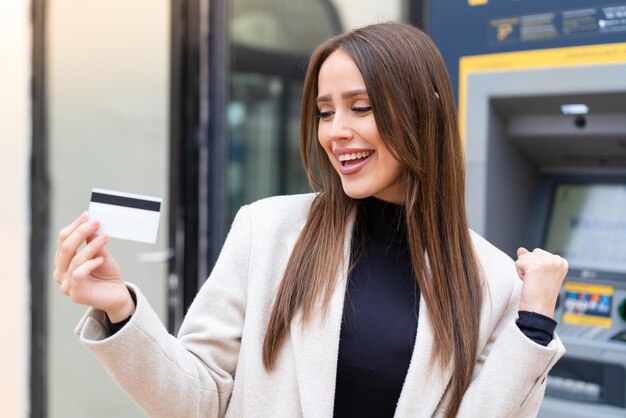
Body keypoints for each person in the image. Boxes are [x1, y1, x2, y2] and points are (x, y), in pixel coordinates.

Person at [54, 22, 567, 418]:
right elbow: (199, 398)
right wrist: (121, 310)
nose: (336, 132)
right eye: (325, 112)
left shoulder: (491, 279)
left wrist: (536, 323)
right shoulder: (267, 231)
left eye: (360, 107)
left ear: (422, 111)